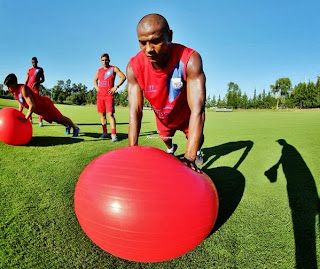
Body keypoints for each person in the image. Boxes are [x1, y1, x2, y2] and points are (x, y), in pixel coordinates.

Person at [127, 13, 206, 172]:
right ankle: (171, 149)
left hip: (186, 117)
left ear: (169, 36)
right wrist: (132, 152)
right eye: (143, 43)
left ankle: (196, 150)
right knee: (165, 138)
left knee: (198, 139)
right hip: (163, 118)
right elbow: (135, 110)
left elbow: (198, 109)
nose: (149, 49)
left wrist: (189, 157)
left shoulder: (190, 59)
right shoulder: (134, 67)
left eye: (155, 41)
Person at [4, 73, 80, 137]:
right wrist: (19, 113)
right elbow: (21, 103)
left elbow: (32, 106)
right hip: (41, 111)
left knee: (60, 118)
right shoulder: (15, 92)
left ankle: (75, 128)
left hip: (46, 105)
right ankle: (67, 126)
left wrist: (25, 118)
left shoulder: (23, 89)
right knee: (56, 120)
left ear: (14, 83)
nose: (7, 89)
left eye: (9, 86)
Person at [94, 53, 126, 142]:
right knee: (102, 114)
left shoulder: (113, 68)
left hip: (109, 96)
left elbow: (123, 77)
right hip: (100, 96)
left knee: (110, 114)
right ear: (101, 61)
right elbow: (95, 80)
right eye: (103, 60)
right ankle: (105, 133)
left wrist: (116, 86)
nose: (104, 62)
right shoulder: (99, 70)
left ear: (109, 60)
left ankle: (114, 135)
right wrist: (96, 87)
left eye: (106, 60)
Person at [25, 56, 45, 126]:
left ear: (37, 62)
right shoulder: (29, 70)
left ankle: (40, 121)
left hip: (35, 90)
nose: (33, 63)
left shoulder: (40, 69)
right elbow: (27, 79)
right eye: (32, 62)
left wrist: (37, 83)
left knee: (37, 105)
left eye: (35, 62)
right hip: (28, 89)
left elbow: (43, 79)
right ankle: (30, 120)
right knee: (29, 105)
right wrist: (24, 86)